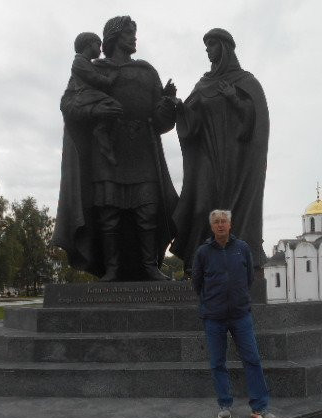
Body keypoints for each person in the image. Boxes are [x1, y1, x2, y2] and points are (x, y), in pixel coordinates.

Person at [53, 16, 179, 281]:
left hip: (142, 148)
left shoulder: (147, 72)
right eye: (129, 33)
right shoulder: (93, 69)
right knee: (108, 214)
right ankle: (111, 269)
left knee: (148, 211)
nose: (134, 37)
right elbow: (69, 104)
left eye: (134, 32)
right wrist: (96, 108)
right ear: (113, 37)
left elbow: (160, 123)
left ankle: (150, 266)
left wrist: (167, 104)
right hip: (107, 150)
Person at [171, 28, 269, 274]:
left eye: (211, 45)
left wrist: (233, 98)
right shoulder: (203, 83)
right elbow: (192, 122)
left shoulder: (245, 82)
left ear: (225, 47)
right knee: (201, 205)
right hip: (207, 157)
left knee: (231, 211)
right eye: (206, 46)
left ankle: (236, 260)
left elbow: (253, 121)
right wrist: (179, 107)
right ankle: (196, 263)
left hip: (235, 160)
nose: (207, 50)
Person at [192, 209, 276, 418]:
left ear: (230, 225)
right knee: (218, 362)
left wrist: (238, 298)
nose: (220, 225)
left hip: (240, 315)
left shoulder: (242, 248)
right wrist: (212, 301)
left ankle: (259, 407)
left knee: (252, 359)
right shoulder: (203, 252)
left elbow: (248, 278)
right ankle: (224, 404)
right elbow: (197, 283)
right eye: (217, 222)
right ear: (212, 227)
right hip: (214, 317)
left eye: (224, 221)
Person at [63, 32, 120, 166]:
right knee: (115, 106)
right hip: (86, 95)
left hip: (92, 94)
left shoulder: (87, 63)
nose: (100, 49)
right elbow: (95, 78)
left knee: (115, 110)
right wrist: (111, 78)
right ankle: (101, 130)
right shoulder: (79, 62)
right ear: (89, 45)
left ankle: (102, 131)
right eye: (98, 45)